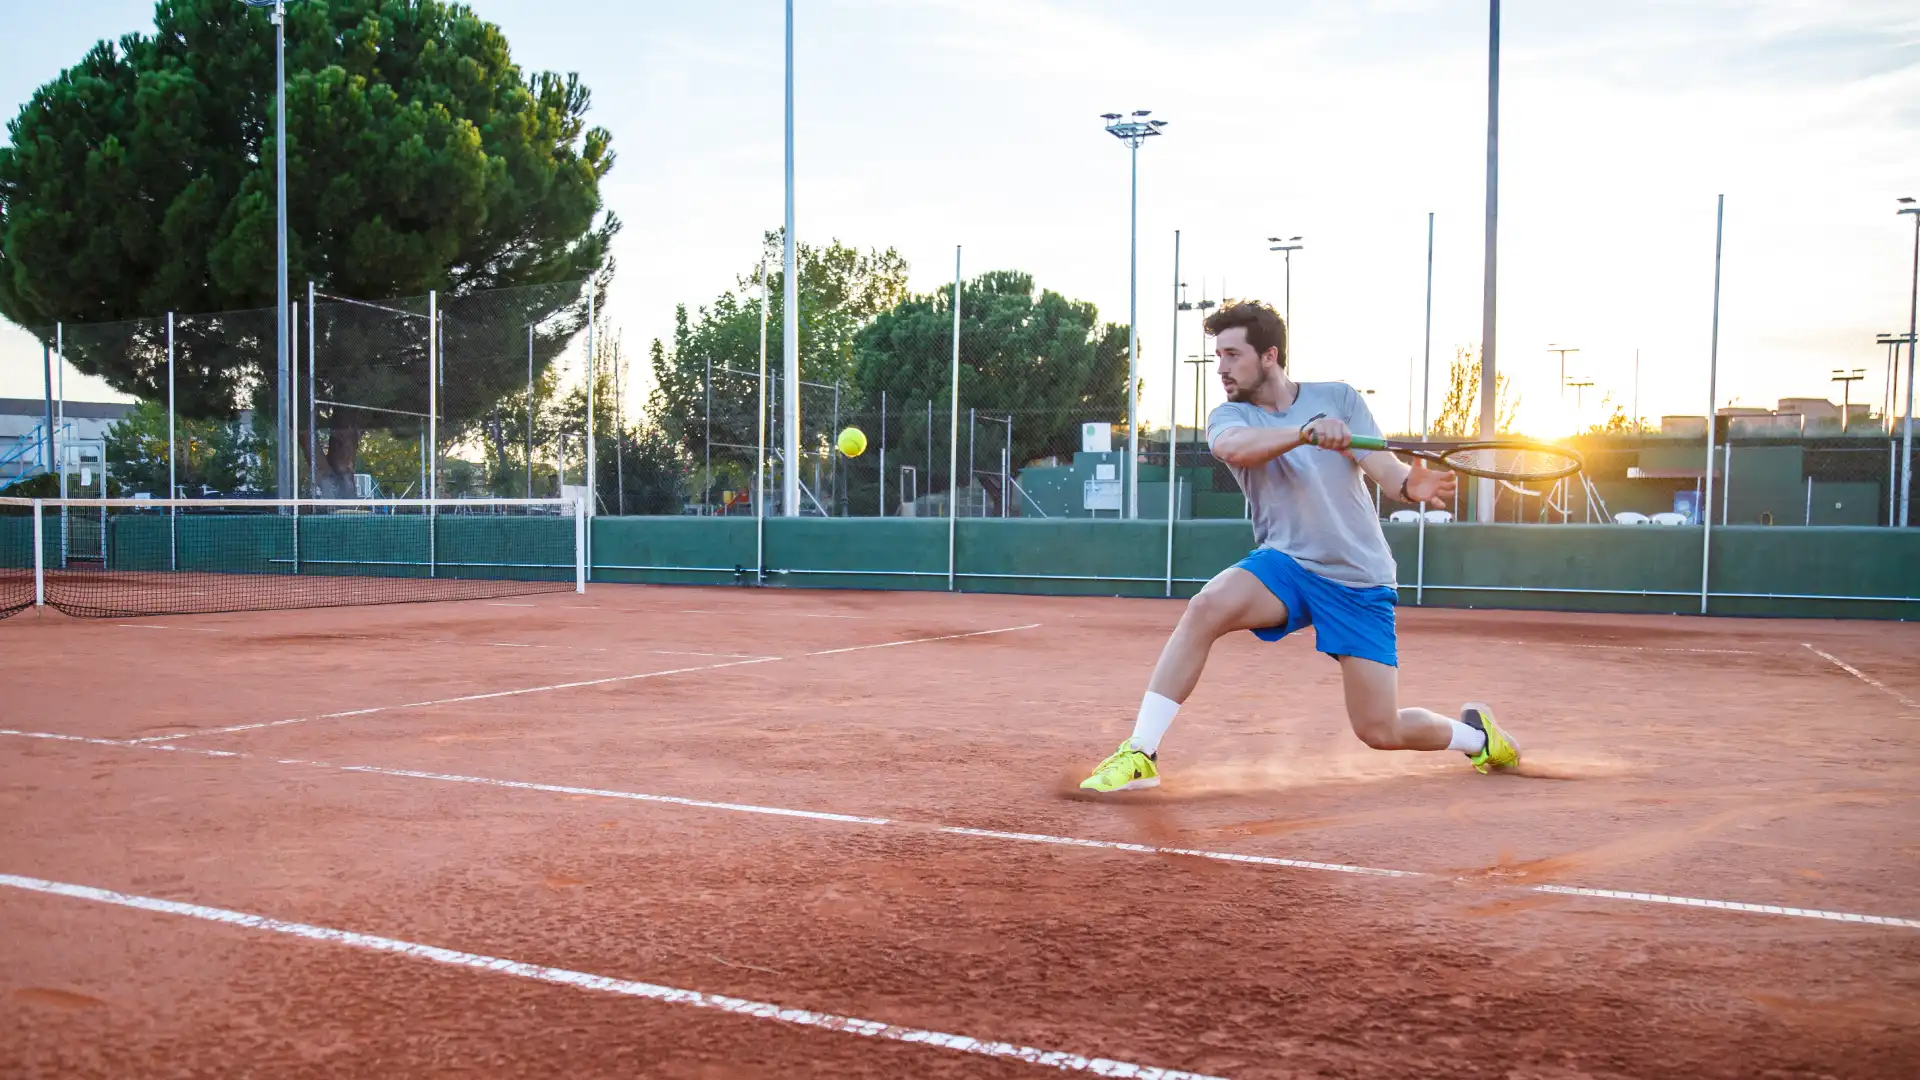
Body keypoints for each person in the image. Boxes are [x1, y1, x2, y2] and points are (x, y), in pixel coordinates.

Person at [1079, 301, 1520, 793]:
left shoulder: (1340, 398)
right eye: (1217, 356)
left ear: (1269, 356)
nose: (1221, 368)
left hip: (1359, 579)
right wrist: (1305, 433)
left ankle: (1476, 738)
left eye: (1232, 354)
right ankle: (1141, 752)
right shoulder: (1229, 415)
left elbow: (1388, 472)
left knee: (1379, 729)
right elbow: (1234, 449)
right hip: (1287, 564)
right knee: (1206, 607)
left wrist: (1410, 487)